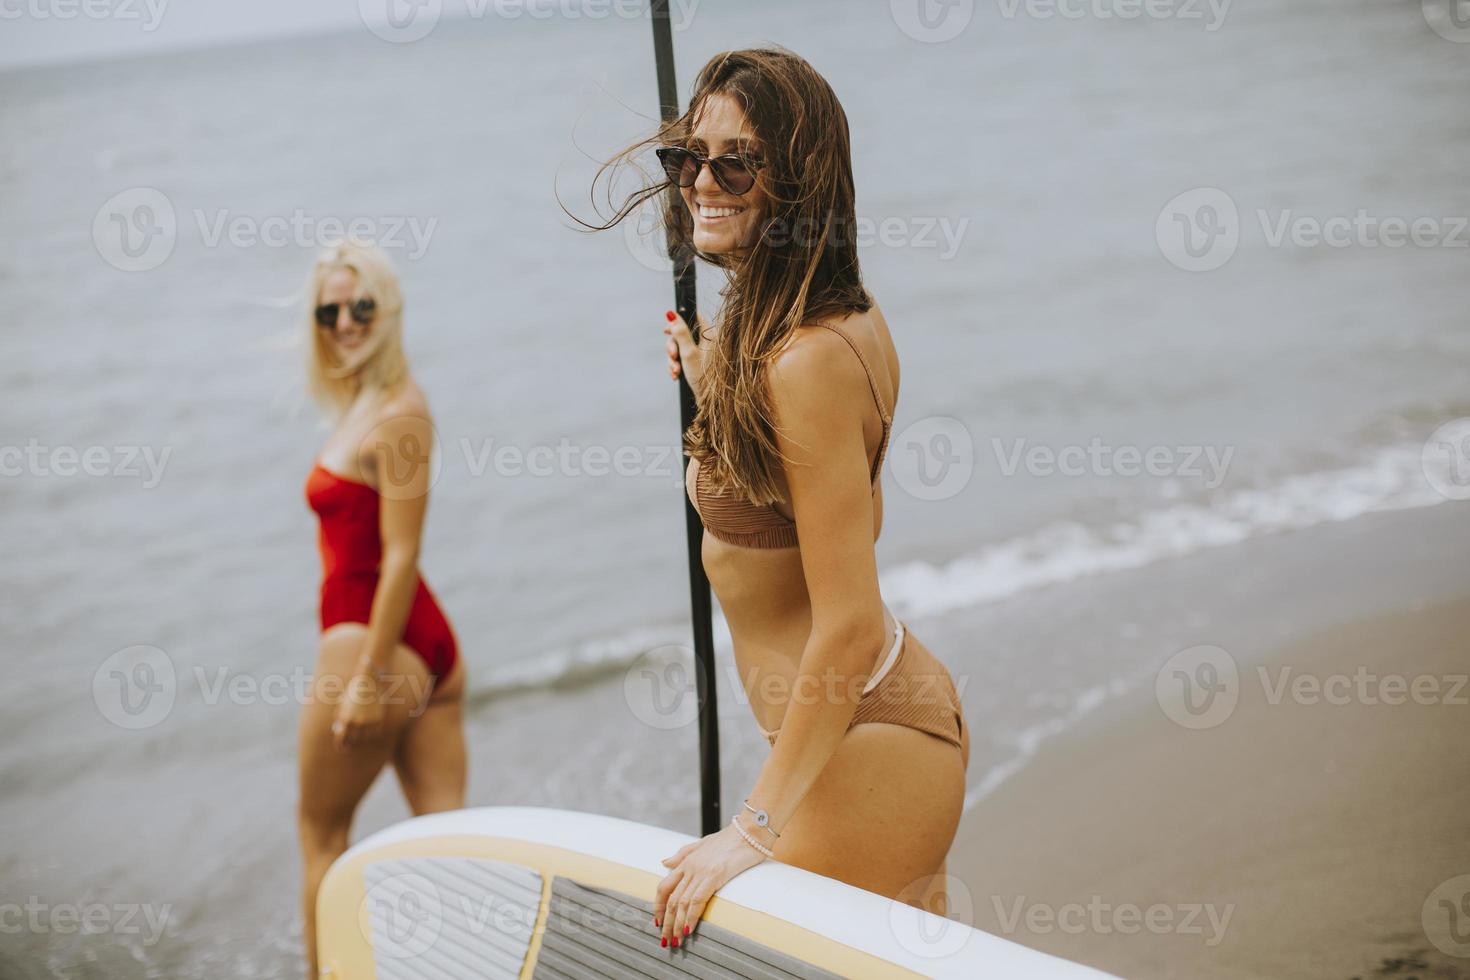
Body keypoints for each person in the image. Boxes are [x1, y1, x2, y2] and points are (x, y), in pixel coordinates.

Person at [592, 48, 971, 949]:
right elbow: (812, 490)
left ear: (797, 182)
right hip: (857, 737)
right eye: (691, 156)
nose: (703, 183)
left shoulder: (803, 363)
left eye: (738, 161)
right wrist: (713, 375)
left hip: (867, 742)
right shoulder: (810, 330)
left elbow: (845, 619)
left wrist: (748, 832)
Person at [295, 242, 466, 979]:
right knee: (453, 847)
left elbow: (400, 553)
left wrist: (366, 678)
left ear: (389, 311)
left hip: (372, 643)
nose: (344, 322)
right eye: (329, 310)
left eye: (360, 307)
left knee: (321, 835)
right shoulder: (365, 400)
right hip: (420, 645)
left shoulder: (400, 411)